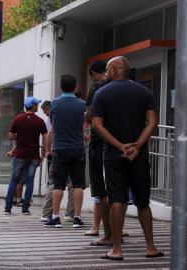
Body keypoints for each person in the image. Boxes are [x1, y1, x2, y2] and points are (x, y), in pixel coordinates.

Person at [92, 56, 163, 260]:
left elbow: (97, 124)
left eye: (107, 70)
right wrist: (137, 146)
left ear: (114, 70)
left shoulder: (101, 93)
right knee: (143, 202)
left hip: (114, 155)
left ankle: (117, 249)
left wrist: (120, 145)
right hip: (139, 155)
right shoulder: (144, 92)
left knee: (117, 200)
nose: (105, 74)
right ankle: (150, 247)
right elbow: (152, 122)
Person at [44, 74, 86, 228]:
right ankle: (77, 217)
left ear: (61, 87)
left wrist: (48, 150)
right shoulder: (82, 104)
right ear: (75, 87)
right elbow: (83, 127)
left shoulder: (54, 104)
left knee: (58, 185)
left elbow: (51, 130)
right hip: (78, 148)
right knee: (78, 184)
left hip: (60, 148)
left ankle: (55, 217)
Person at [83, 60, 112, 246]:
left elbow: (89, 115)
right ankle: (117, 226)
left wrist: (86, 127)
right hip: (117, 142)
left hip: (99, 142)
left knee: (99, 189)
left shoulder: (96, 89)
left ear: (94, 72)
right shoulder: (120, 87)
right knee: (115, 188)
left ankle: (100, 229)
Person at [4, 97, 47, 215]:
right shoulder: (40, 121)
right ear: (33, 106)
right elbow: (44, 138)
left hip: (19, 155)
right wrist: (43, 155)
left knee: (14, 180)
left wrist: (19, 137)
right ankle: (25, 208)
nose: (37, 106)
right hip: (33, 156)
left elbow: (10, 136)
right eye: (36, 105)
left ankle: (8, 208)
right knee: (30, 182)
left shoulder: (17, 119)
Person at [40, 100, 74, 223]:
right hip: (74, 151)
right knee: (72, 184)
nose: (46, 115)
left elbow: (50, 133)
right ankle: (71, 214)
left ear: (50, 108)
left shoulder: (54, 116)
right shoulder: (73, 115)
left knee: (54, 183)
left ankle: (48, 214)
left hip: (58, 151)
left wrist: (48, 151)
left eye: (45, 111)